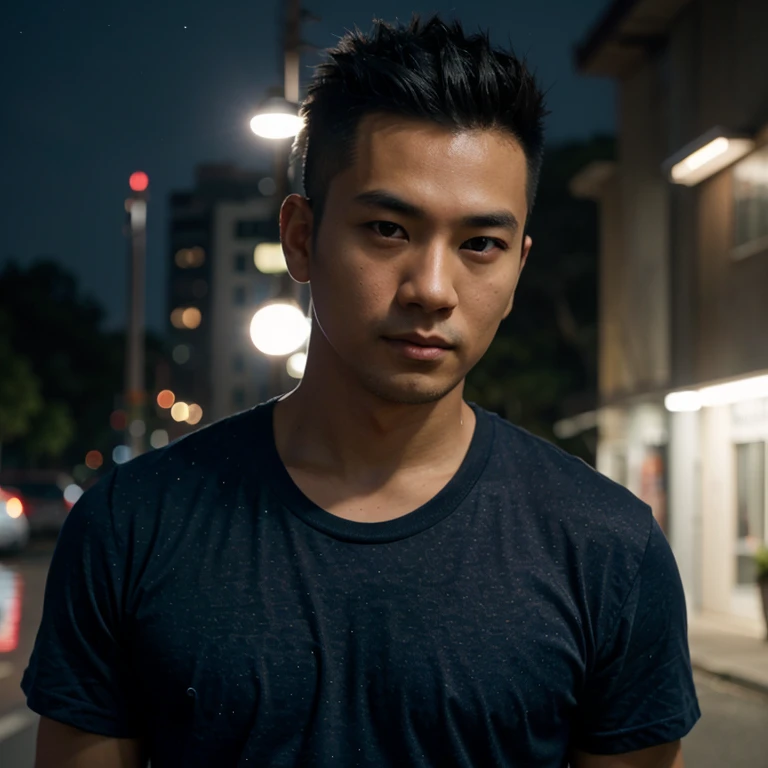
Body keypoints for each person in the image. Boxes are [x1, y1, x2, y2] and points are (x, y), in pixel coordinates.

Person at [23, 15, 700, 768]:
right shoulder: (132, 526)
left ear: (518, 268)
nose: (433, 289)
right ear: (302, 238)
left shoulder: (608, 549)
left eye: (481, 244)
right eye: (387, 229)